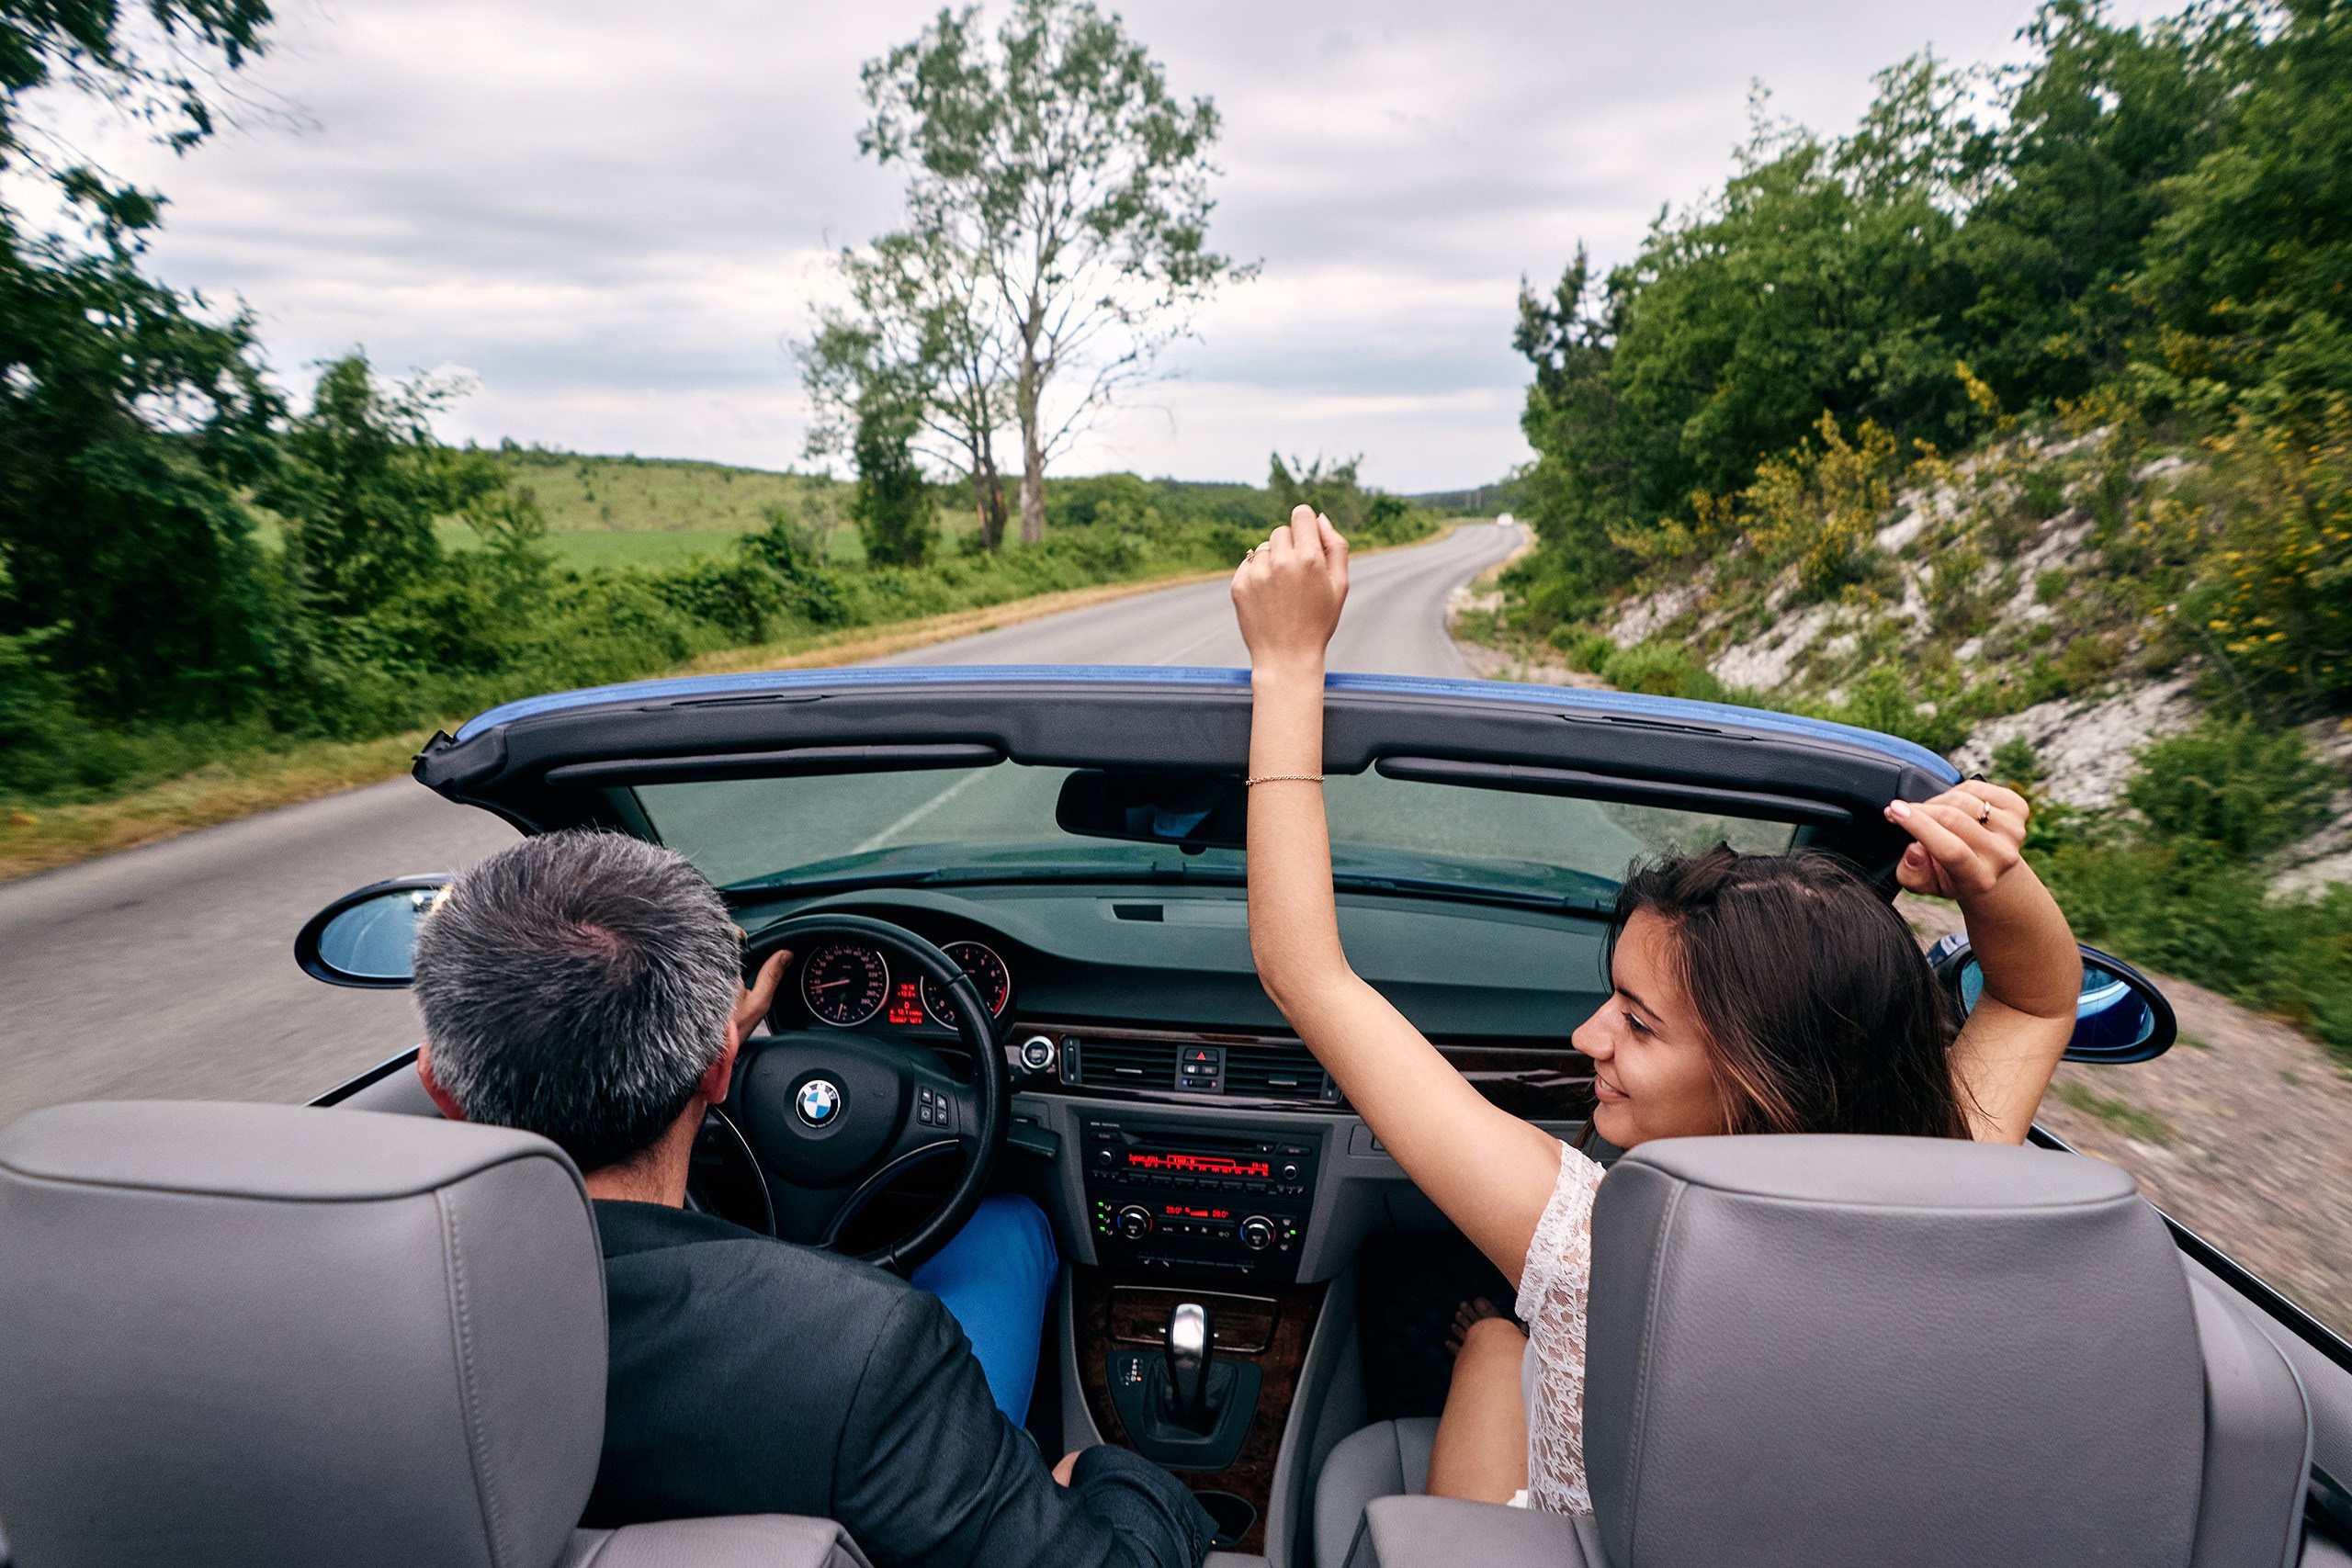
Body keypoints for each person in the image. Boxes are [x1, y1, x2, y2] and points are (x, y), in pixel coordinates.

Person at [1230, 505, 2083, 1515]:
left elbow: (1306, 973)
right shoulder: (1951, 1177)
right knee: (1508, 1335)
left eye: (1637, 1023)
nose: (1588, 1035)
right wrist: (1994, 880)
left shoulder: (1596, 1254)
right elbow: (2034, 999)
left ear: (1769, 1083)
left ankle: (1497, 1347)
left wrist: (1286, 667)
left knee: (1498, 1338)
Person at [409, 829, 1213, 1568]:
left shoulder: (349, 1312)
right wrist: (1119, 1478)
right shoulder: (864, 1346)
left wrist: (721, 1043)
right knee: (1007, 1227)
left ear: (440, 1087)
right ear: (725, 1070)